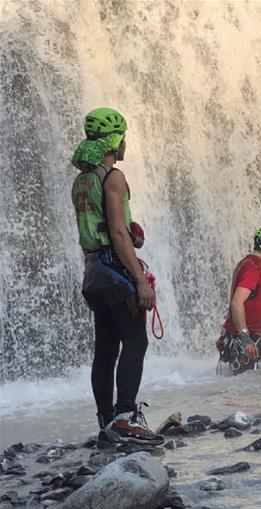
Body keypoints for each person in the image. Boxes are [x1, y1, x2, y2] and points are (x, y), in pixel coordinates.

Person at [71, 107, 163, 445]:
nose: (125, 144)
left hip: (93, 271)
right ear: (114, 141)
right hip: (115, 270)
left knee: (106, 349)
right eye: (122, 137)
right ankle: (125, 419)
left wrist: (127, 230)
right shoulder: (114, 177)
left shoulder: (82, 180)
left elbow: (101, 228)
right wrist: (139, 278)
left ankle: (106, 421)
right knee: (136, 342)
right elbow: (117, 234)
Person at [217, 226, 261, 373]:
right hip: (243, 341)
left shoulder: (245, 263)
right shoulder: (253, 268)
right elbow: (236, 302)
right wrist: (245, 337)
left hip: (249, 337)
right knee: (244, 390)